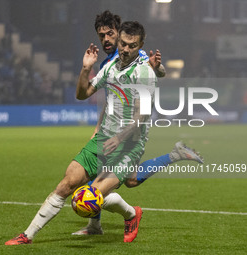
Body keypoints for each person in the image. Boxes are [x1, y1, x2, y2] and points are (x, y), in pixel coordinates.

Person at [72, 10, 203, 236]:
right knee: (130, 179)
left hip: (132, 128)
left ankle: (106, 221)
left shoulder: (134, 54)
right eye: (101, 35)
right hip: (115, 127)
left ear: (119, 32)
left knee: (104, 181)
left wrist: (158, 66)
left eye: (110, 33)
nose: (106, 39)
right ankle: (176, 155)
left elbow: (158, 72)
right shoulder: (108, 62)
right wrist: (99, 129)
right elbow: (108, 98)